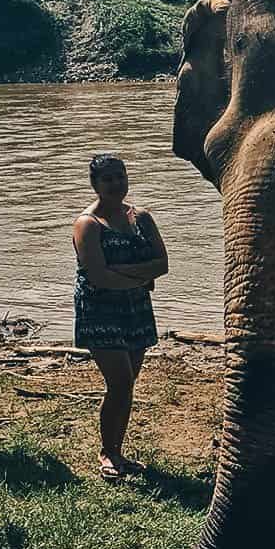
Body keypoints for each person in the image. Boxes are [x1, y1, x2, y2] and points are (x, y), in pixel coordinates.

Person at [73, 154, 168, 481]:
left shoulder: (141, 217)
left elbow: (163, 264)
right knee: (121, 382)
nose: (116, 184)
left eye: (120, 177)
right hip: (100, 310)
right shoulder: (88, 224)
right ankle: (108, 453)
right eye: (108, 179)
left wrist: (124, 273)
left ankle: (117, 450)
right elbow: (99, 278)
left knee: (126, 386)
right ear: (95, 185)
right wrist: (142, 277)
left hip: (136, 308)